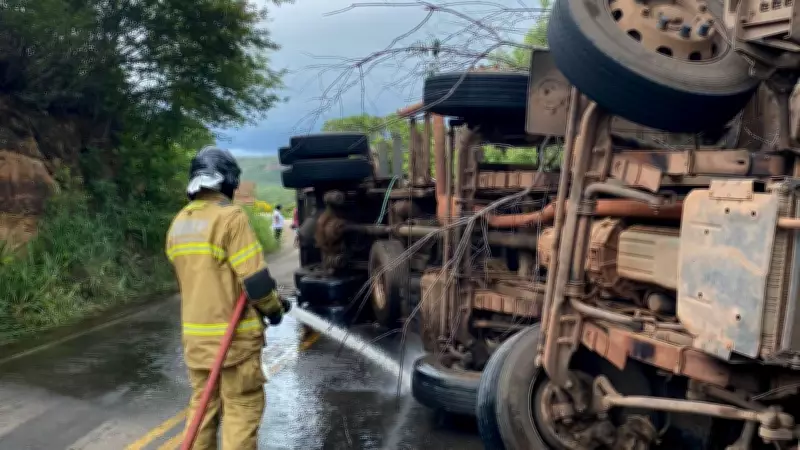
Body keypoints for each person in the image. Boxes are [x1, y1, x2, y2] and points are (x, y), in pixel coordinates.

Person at [165, 145, 291, 450]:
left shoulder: (178, 223)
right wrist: (274, 310)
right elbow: (257, 282)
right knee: (241, 409)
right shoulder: (230, 218)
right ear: (229, 182)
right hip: (233, 341)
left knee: (202, 410)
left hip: (196, 342)